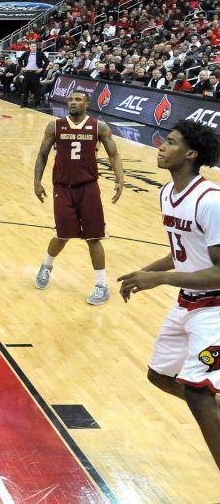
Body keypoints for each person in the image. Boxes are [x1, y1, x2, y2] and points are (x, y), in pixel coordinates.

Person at [118, 120, 220, 469]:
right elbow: (182, 252)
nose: (161, 146)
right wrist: (146, 272)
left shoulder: (211, 202)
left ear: (191, 154)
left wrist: (160, 279)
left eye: (171, 142)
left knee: (197, 391)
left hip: (215, 308)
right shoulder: (167, 193)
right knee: (160, 376)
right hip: (187, 302)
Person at [33, 89, 124, 301]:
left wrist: (120, 180)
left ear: (87, 103)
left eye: (78, 100)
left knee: (94, 237)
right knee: (62, 235)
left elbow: (114, 154)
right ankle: (46, 265)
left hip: (89, 188)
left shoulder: (99, 127)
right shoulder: (54, 126)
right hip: (63, 188)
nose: (73, 103)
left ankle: (101, 286)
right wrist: (36, 182)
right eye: (71, 99)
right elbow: (43, 153)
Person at [19, 42, 49, 107]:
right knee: (25, 88)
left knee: (36, 89)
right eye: (32, 46)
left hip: (36, 73)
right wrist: (22, 67)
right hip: (27, 73)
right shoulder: (26, 53)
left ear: (36, 47)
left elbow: (47, 61)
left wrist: (42, 69)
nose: (33, 47)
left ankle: (37, 103)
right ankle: (24, 103)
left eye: (34, 46)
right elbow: (19, 60)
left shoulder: (40, 53)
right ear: (30, 47)